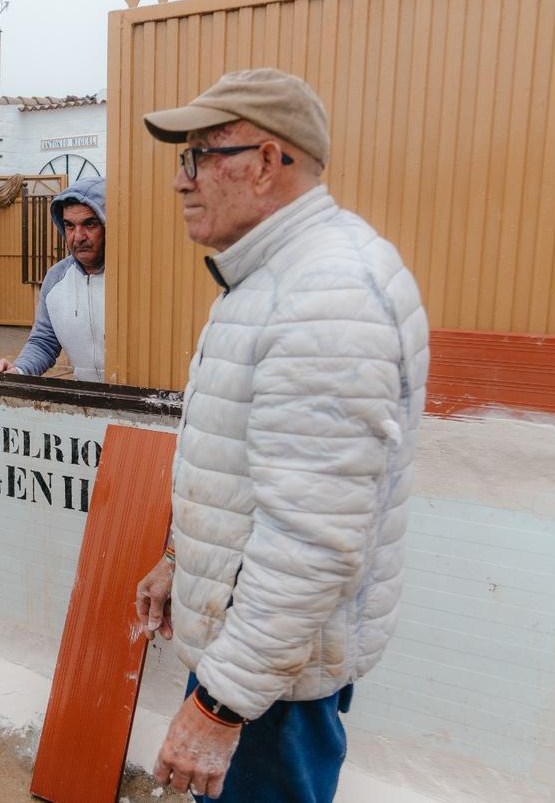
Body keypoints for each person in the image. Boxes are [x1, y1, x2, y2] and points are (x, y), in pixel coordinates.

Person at [133, 68, 429, 802]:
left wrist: (220, 705)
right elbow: (253, 472)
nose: (181, 180)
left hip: (271, 687)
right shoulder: (275, 278)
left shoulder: (328, 295)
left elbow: (311, 539)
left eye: (200, 156)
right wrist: (182, 559)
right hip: (261, 663)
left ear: (267, 162)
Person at [0, 176, 107, 381]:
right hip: (85, 397)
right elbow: (44, 342)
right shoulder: (56, 278)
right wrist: (18, 371)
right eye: (69, 225)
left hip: (140, 398)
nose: (78, 236)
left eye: (90, 224)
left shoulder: (133, 279)